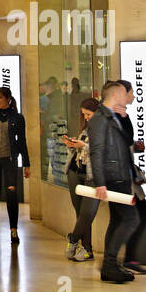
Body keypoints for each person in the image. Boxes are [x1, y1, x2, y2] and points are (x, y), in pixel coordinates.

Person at [86, 81, 141, 283]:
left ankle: (111, 265)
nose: (127, 99)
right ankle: (109, 264)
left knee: (119, 220)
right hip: (113, 177)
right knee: (130, 219)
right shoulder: (99, 119)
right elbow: (96, 151)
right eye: (124, 95)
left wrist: (124, 118)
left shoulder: (112, 117)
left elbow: (126, 142)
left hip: (121, 175)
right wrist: (100, 182)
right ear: (116, 95)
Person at [0, 86, 31, 245]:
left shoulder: (17, 117)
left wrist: (26, 164)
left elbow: (22, 141)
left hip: (10, 159)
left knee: (11, 192)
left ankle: (13, 229)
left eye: (0, 98)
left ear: (8, 98)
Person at [115, 79, 146, 274]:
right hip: (120, 177)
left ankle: (126, 258)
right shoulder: (113, 118)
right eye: (130, 93)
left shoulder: (124, 116)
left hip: (128, 175)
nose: (133, 96)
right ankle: (118, 260)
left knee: (136, 215)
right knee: (128, 217)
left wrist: (134, 146)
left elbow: (123, 144)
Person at [64, 97, 100, 262]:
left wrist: (83, 146)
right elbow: (81, 151)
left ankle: (73, 238)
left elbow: (101, 150)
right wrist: (72, 145)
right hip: (75, 171)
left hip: (92, 176)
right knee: (80, 213)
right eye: (84, 114)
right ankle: (87, 248)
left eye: (88, 114)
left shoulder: (103, 129)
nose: (86, 117)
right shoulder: (85, 129)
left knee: (87, 213)